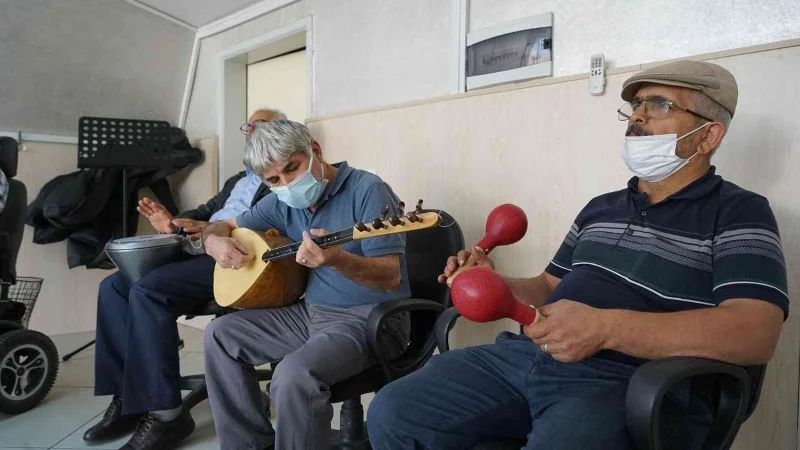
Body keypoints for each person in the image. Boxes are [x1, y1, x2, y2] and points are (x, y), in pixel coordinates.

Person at [367, 60, 788, 450]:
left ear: (709, 135)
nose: (638, 116)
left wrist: (605, 328)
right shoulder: (601, 207)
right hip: (529, 357)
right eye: (636, 105)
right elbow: (549, 288)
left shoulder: (739, 211)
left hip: (626, 379)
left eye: (659, 105)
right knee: (393, 411)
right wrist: (493, 284)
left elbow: (755, 331)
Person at [201, 119, 411, 450]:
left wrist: (338, 259)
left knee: (291, 376)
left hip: (372, 319)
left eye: (292, 168)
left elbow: (390, 276)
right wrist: (213, 243)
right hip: (312, 314)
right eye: (274, 179)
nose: (286, 183)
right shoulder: (281, 201)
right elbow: (222, 225)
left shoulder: (368, 190)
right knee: (220, 335)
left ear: (315, 150)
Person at [83, 108, 285, 449]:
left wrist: (211, 233)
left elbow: (272, 228)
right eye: (247, 126)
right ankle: (129, 400)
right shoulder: (237, 180)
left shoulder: (282, 177)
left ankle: (167, 415)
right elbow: (205, 213)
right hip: (199, 246)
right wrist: (173, 222)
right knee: (115, 286)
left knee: (148, 291)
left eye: (261, 125)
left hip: (236, 256)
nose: (251, 130)